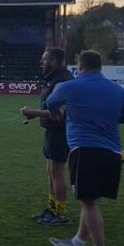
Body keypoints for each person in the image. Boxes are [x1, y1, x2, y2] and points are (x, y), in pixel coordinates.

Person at [46, 50, 124, 246]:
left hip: (85, 149)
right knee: (92, 200)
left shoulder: (71, 86)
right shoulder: (116, 89)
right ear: (100, 66)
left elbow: (50, 102)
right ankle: (77, 242)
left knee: (88, 203)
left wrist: (60, 114)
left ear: (80, 66)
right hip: (112, 152)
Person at [20, 47, 74, 226]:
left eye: (44, 59)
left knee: (57, 173)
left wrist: (33, 112)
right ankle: (52, 209)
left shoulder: (62, 82)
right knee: (51, 171)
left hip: (60, 132)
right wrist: (35, 114)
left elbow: (59, 114)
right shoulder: (54, 79)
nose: (41, 62)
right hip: (53, 132)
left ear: (56, 62)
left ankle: (60, 213)